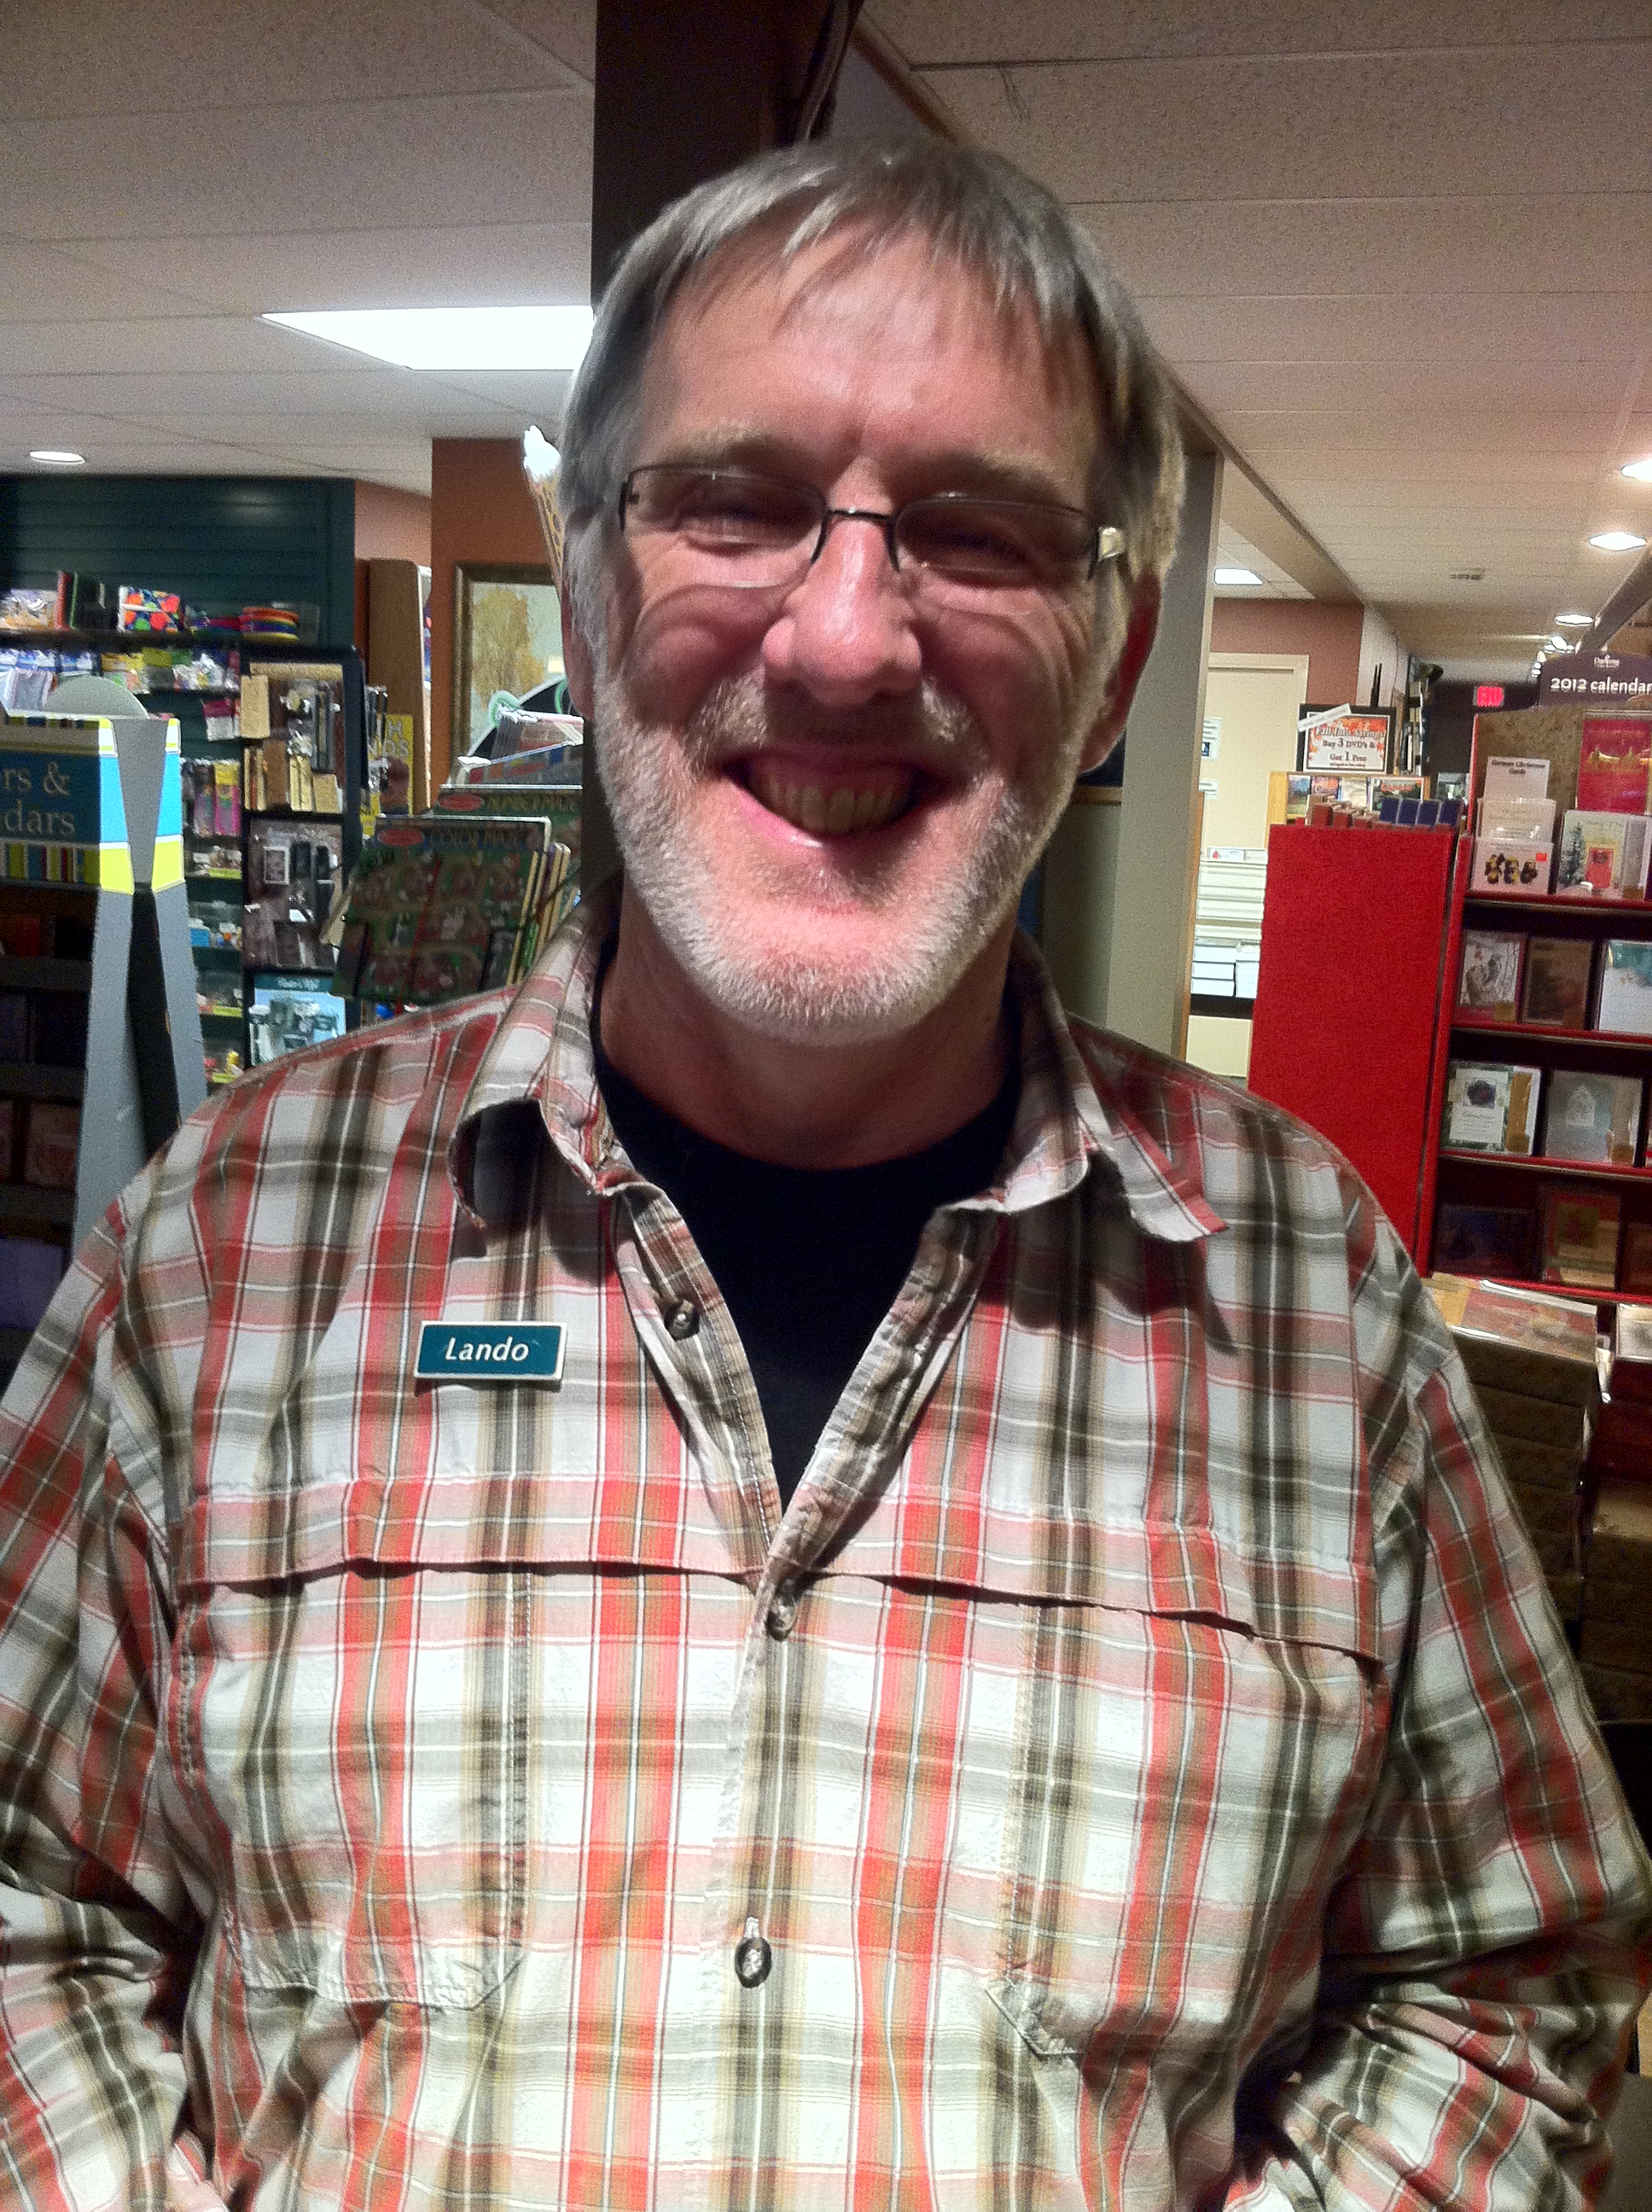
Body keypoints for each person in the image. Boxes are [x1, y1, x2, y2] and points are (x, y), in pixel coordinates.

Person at [0, 137, 1647, 2211]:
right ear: (586, 592)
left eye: (977, 533)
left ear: (1117, 657)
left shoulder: (1309, 1296)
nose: (848, 641)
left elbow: (1502, 1981)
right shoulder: (224, 1246)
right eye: (734, 504)